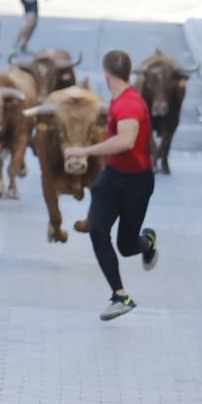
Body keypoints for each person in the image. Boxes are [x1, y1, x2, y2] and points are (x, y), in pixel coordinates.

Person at [63, 49, 160, 321]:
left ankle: (147, 242)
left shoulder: (129, 104)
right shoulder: (119, 100)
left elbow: (126, 141)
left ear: (106, 75)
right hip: (112, 177)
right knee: (97, 230)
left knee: (127, 246)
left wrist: (85, 151)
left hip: (137, 183)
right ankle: (120, 296)